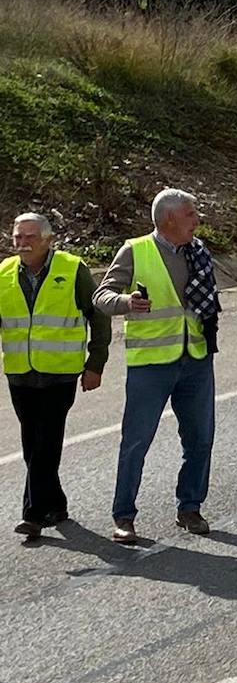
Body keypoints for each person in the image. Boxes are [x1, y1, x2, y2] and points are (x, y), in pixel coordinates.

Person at [95, 188, 220, 543]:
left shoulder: (198, 251)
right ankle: (124, 516)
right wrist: (126, 301)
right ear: (169, 219)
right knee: (136, 441)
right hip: (151, 364)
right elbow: (101, 296)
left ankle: (190, 507)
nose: (197, 220)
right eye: (191, 215)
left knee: (200, 438)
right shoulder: (135, 250)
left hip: (196, 358)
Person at [2, 213, 109, 538]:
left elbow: (98, 314)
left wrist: (96, 362)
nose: (22, 243)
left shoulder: (71, 268)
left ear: (49, 240)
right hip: (20, 372)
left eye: (30, 237)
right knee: (32, 444)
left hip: (60, 374)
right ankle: (56, 504)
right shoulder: (4, 272)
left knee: (47, 442)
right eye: (18, 236)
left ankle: (33, 515)